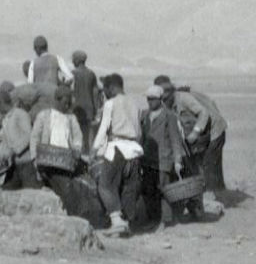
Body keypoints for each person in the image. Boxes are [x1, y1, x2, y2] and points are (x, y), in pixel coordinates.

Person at [155, 75, 228, 193]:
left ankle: (213, 196)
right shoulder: (166, 103)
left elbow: (203, 113)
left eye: (167, 93)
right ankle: (215, 191)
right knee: (199, 163)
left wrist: (195, 132)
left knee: (209, 164)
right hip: (205, 133)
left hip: (215, 130)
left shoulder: (183, 98)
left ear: (171, 90)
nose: (164, 98)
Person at [142, 84, 197, 226]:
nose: (150, 102)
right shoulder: (145, 115)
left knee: (165, 191)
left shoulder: (169, 116)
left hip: (164, 159)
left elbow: (175, 140)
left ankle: (165, 220)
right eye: (148, 99)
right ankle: (152, 218)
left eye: (153, 99)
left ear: (160, 99)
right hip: (148, 160)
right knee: (148, 190)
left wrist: (178, 160)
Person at [92, 74, 140, 236]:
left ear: (112, 87)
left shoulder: (110, 103)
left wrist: (94, 150)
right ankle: (127, 223)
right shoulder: (134, 103)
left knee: (105, 185)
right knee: (128, 188)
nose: (104, 92)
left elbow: (103, 128)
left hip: (117, 148)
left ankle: (116, 220)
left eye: (105, 88)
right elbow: (138, 131)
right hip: (134, 149)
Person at [31, 85, 85, 184]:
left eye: (69, 103)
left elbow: (78, 137)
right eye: (65, 103)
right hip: (47, 158)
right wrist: (34, 158)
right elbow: (35, 137)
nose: (67, 106)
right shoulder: (44, 116)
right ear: (57, 100)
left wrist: (77, 150)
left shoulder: (71, 118)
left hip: (66, 159)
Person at [0, 90, 38, 190]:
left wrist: (14, 150)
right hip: (14, 164)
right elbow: (6, 141)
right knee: (7, 190)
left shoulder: (20, 114)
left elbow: (29, 136)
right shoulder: (6, 119)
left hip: (27, 162)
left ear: (1, 104)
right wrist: (1, 155)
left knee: (31, 192)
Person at [69, 51, 102, 146]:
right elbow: (95, 93)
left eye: (73, 59)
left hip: (76, 108)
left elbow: (70, 92)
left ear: (77, 60)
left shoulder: (72, 74)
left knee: (76, 134)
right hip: (89, 107)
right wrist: (95, 109)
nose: (72, 61)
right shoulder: (91, 74)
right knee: (87, 133)